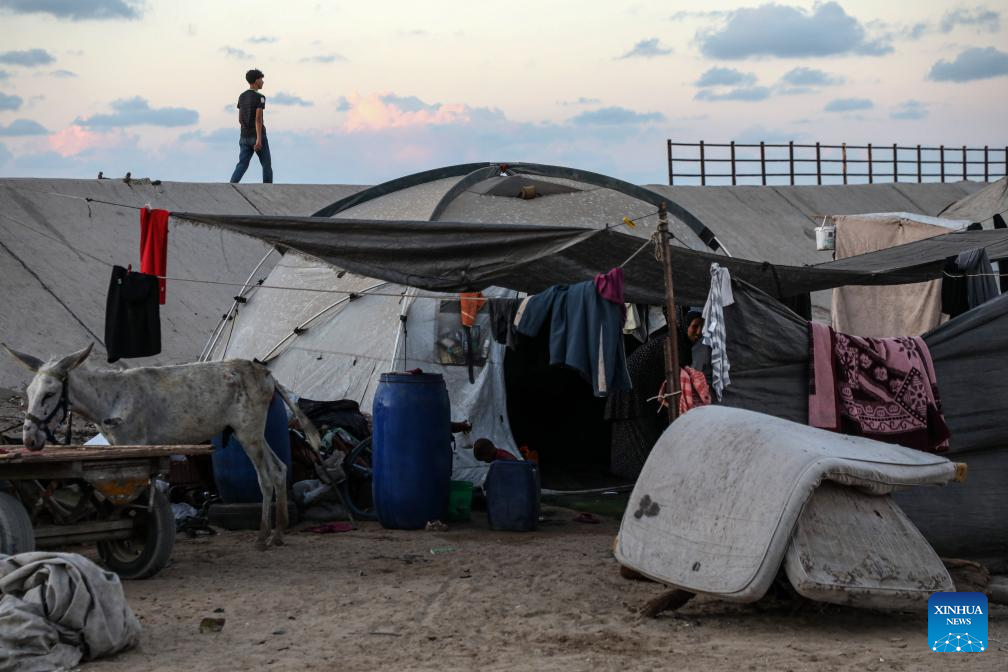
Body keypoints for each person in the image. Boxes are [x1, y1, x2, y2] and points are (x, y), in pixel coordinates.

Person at [230, 68, 272, 183]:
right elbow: (258, 119)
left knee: (242, 164)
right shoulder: (261, 97)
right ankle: (268, 189)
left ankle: (231, 185)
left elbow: (240, 119)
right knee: (266, 164)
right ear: (256, 80)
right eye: (261, 79)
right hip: (258, 136)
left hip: (244, 136)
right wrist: (258, 139)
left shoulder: (241, 96)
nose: (263, 82)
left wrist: (246, 132)